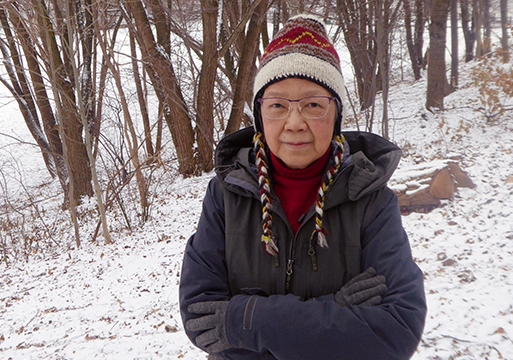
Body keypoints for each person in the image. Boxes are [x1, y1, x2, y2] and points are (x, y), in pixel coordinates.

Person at [178, 14, 426, 360]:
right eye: (277, 105)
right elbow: (201, 320)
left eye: (313, 105)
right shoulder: (227, 195)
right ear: (260, 115)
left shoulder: (371, 199)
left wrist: (248, 319)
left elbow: (398, 332)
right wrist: (335, 312)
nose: (294, 124)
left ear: (336, 113)